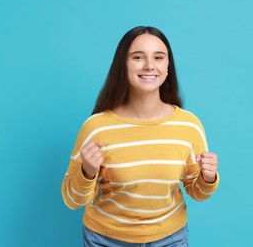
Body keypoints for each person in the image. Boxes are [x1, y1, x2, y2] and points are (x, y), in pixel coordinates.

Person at [61, 26, 219, 246]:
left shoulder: (189, 125)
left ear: (167, 66)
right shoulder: (96, 127)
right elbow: (71, 200)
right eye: (138, 57)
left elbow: (198, 192)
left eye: (158, 57)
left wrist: (208, 178)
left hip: (170, 238)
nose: (149, 66)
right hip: (106, 239)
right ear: (122, 64)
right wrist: (87, 172)